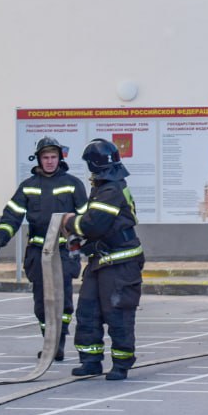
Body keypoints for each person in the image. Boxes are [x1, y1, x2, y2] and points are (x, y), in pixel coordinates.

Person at [0, 136, 87, 362]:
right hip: (38, 251)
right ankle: (49, 342)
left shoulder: (73, 184)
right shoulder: (28, 186)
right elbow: (12, 216)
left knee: (62, 299)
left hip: (64, 251)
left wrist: (86, 247)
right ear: (39, 159)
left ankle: (58, 343)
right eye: (46, 157)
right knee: (42, 302)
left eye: (53, 157)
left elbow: (86, 218)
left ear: (60, 158)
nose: (50, 161)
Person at [63, 138, 144, 381]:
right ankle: (90, 361)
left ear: (93, 165)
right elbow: (99, 227)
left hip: (120, 263)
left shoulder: (111, 189)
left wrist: (68, 223)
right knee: (88, 311)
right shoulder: (106, 185)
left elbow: (93, 224)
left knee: (117, 313)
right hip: (101, 260)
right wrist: (83, 243)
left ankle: (121, 363)